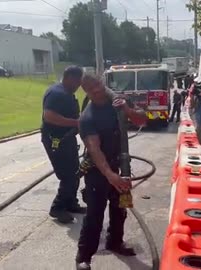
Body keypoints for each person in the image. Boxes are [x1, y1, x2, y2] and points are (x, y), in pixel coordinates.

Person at [75, 75, 147, 270]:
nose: (97, 90)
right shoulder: (88, 117)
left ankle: (115, 242)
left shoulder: (119, 101)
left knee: (120, 208)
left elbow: (143, 119)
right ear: (86, 92)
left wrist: (127, 109)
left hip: (121, 166)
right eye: (91, 89)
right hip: (98, 170)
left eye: (97, 85)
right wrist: (110, 175)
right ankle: (84, 256)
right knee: (95, 214)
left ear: (102, 82)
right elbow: (94, 149)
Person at [41, 66, 86, 224]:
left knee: (75, 172)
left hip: (67, 139)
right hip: (56, 140)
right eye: (77, 82)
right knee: (68, 176)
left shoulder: (67, 93)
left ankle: (71, 203)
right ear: (69, 78)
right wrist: (76, 122)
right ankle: (58, 208)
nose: (79, 85)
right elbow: (49, 116)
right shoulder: (56, 93)